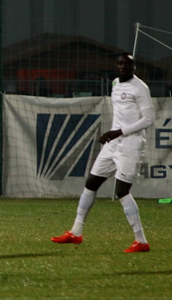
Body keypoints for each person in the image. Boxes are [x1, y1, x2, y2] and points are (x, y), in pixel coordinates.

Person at [51, 52, 153, 253]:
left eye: (127, 64)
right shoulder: (115, 83)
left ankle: (141, 241)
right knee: (91, 184)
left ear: (134, 68)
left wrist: (118, 131)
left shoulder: (140, 88)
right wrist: (113, 134)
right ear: (116, 66)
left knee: (122, 191)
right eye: (120, 63)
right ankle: (76, 232)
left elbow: (148, 120)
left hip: (130, 145)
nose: (123, 66)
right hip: (112, 144)